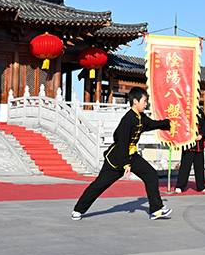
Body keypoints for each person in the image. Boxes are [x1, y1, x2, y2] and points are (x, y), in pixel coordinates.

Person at [72, 87, 173, 221]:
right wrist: (126, 165)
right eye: (144, 101)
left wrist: (170, 123)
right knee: (99, 185)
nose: (146, 104)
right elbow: (122, 143)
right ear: (135, 101)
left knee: (151, 175)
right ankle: (78, 210)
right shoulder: (128, 119)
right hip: (116, 159)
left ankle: (156, 210)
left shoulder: (141, 118)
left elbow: (154, 124)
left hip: (131, 155)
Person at [174, 105, 205, 194]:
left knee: (199, 167)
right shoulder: (184, 112)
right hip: (189, 144)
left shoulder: (200, 112)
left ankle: (201, 186)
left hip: (199, 144)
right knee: (185, 166)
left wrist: (201, 135)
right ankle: (180, 186)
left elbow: (204, 124)